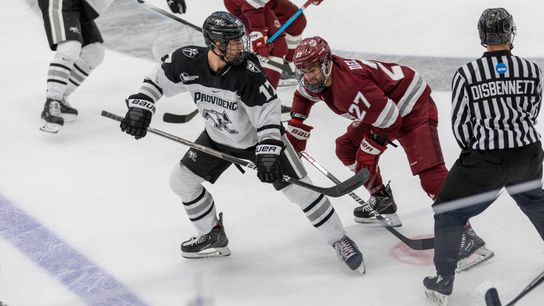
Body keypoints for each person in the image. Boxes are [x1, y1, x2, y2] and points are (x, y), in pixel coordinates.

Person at [118, 11, 365, 273]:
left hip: (259, 140)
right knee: (181, 180)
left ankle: (340, 240)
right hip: (218, 138)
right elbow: (157, 80)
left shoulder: (248, 73)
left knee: (301, 192)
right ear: (214, 43)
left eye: (240, 40)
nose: (240, 46)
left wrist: (268, 152)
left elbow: (268, 116)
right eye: (233, 42)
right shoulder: (187, 61)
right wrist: (142, 106)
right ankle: (213, 236)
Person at [285, 36, 494, 272]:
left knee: (430, 173)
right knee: (346, 148)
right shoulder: (320, 79)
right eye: (303, 70)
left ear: (325, 64)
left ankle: (467, 236)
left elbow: (391, 120)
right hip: (384, 108)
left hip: (413, 107)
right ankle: (383, 202)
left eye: (312, 69)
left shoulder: (349, 87)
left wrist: (370, 152)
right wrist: (296, 128)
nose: (308, 76)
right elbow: (303, 96)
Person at [423, 8, 544, 305]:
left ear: (482, 36)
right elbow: (533, 112)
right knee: (535, 201)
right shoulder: (532, 70)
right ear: (510, 34)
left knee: (448, 210)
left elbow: (461, 125)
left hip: (485, 159)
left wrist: (476, 156)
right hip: (528, 154)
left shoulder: (467, 74)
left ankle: (443, 283)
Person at [37, 0, 112, 133]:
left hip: (82, 6)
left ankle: (60, 98)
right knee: (70, 47)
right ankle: (52, 101)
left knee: (94, 52)